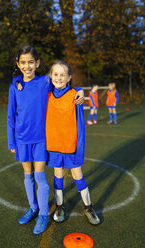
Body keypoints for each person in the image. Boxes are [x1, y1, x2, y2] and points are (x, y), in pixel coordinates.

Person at [7, 46, 84, 235]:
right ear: (18, 64)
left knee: (40, 176)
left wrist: (80, 90)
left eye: (31, 62)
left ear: (37, 63)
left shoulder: (44, 82)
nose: (27, 66)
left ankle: (42, 214)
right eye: (23, 63)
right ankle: (33, 208)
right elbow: (11, 116)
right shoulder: (14, 86)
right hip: (22, 139)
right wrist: (12, 142)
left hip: (41, 139)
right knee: (28, 175)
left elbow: (63, 82)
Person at [46, 61, 100, 225]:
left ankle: (88, 207)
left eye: (63, 75)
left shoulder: (75, 95)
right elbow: (29, 81)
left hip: (70, 145)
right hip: (54, 145)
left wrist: (80, 90)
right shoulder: (46, 95)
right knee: (58, 173)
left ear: (69, 77)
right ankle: (60, 206)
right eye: (55, 74)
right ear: (50, 76)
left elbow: (77, 92)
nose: (59, 78)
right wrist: (16, 82)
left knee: (77, 174)